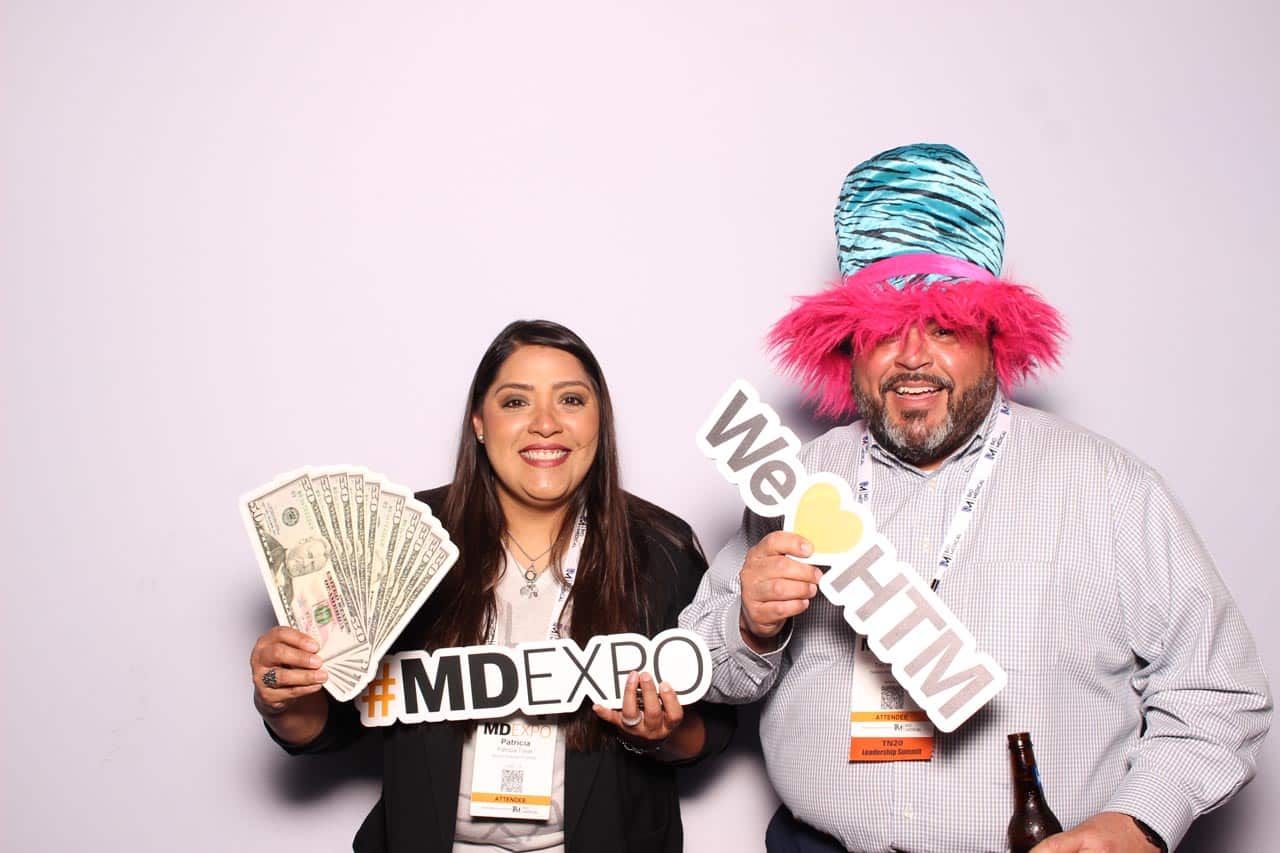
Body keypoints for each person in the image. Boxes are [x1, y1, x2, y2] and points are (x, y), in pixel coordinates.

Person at [680, 143, 1271, 852]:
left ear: (993, 335)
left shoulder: (1110, 490)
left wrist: (1137, 822)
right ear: (849, 346)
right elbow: (703, 673)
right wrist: (751, 624)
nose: (912, 357)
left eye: (944, 327)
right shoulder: (797, 483)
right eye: (883, 331)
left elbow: (1218, 691)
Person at [250, 319, 734, 853]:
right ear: (479, 423)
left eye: (571, 400)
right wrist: (283, 699)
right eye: (516, 402)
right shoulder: (404, 539)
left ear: (600, 420)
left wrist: (662, 734)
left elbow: (712, 731)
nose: (545, 424)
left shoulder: (660, 547)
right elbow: (331, 724)